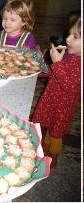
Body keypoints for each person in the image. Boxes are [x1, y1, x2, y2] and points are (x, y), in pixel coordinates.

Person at [32, 17, 81, 168]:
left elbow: (70, 86)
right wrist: (40, 68)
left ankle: (52, 157)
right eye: (69, 34)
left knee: (56, 134)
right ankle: (43, 149)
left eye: (75, 37)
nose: (67, 39)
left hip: (63, 106)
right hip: (50, 98)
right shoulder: (69, 55)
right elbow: (54, 73)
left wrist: (57, 63)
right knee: (46, 126)